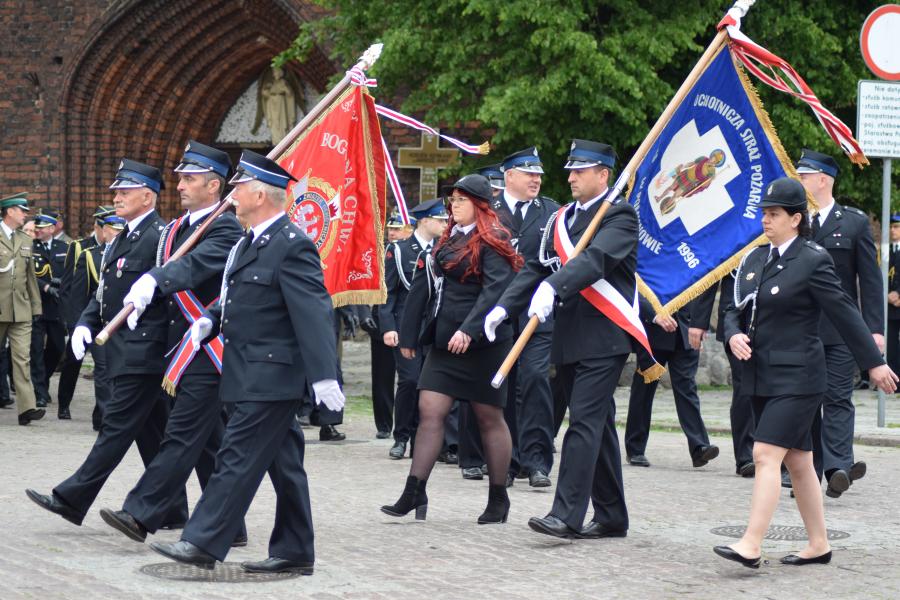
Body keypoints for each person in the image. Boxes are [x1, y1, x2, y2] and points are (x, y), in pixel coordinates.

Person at [149, 150, 343, 574]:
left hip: (271, 377)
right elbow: (241, 300)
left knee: (235, 458)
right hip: (245, 372)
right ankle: (295, 550)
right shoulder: (246, 243)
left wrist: (326, 377)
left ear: (260, 194)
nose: (232, 195)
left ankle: (202, 541)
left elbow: (313, 314)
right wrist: (210, 320)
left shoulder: (293, 246)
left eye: (239, 187)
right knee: (286, 464)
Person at [715, 176, 897, 568]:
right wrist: (731, 337)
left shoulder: (813, 259)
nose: (766, 220)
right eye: (764, 213)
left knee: (764, 454)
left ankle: (750, 543)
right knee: (799, 461)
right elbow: (733, 311)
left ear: (796, 218)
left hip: (799, 378)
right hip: (762, 376)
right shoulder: (755, 259)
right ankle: (818, 543)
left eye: (774, 214)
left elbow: (844, 312)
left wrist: (874, 362)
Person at [98, 141, 247, 547]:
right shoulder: (181, 228)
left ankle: (141, 513)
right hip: (180, 349)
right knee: (209, 443)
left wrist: (156, 279)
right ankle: (232, 526)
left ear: (214, 186)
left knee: (181, 436)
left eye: (189, 178)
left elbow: (195, 266)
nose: (179, 184)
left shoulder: (225, 227)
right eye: (180, 177)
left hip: (211, 350)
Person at [26, 159, 189, 528]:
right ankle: (174, 509)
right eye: (116, 190)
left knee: (116, 426)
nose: (116, 197)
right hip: (123, 349)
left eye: (125, 191)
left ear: (147, 197)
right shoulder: (124, 236)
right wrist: (85, 322)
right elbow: (104, 292)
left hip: (145, 350)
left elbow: (168, 291)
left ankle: (72, 498)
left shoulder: (163, 237)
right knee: (154, 435)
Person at [485, 139, 636, 540]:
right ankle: (612, 516)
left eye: (580, 170)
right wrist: (505, 307)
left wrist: (555, 286)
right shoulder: (561, 219)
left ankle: (566, 514)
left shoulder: (619, 215)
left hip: (605, 337)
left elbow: (596, 260)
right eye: (570, 170)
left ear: (603, 175)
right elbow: (535, 265)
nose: (570, 177)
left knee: (582, 422)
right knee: (598, 426)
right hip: (569, 338)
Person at [382, 174, 520, 524]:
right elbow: (422, 289)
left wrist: (470, 331)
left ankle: (498, 498)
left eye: (460, 200)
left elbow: (496, 291)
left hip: (484, 342)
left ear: (479, 204)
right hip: (446, 341)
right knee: (429, 409)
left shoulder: (494, 239)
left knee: (489, 418)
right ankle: (414, 491)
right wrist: (409, 336)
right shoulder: (446, 240)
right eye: (451, 201)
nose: (453, 207)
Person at [796, 149, 882, 498]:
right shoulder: (794, 221)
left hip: (840, 329)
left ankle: (836, 468)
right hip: (801, 328)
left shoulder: (854, 222)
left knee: (837, 398)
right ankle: (802, 470)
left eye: (804, 176)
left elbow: (871, 280)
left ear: (822, 180)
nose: (799, 181)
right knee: (803, 400)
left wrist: (874, 330)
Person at [379, 199, 447, 459]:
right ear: (425, 221)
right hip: (405, 326)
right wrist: (388, 327)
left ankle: (426, 440)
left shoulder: (444, 250)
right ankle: (401, 436)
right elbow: (389, 292)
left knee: (432, 385)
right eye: (440, 220)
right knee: (409, 381)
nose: (444, 224)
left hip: (433, 327)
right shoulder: (399, 250)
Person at [624, 292, 719, 468]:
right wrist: (653, 315)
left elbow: (701, 289)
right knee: (644, 390)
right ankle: (635, 449)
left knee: (687, 387)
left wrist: (699, 323)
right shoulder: (646, 262)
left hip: (685, 331)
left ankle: (699, 447)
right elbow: (635, 289)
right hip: (654, 333)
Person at [56, 206, 114, 422]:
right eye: (107, 227)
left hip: (103, 320)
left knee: (103, 366)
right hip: (80, 316)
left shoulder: (119, 248)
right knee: (73, 362)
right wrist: (72, 321)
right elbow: (69, 287)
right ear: (97, 227)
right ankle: (64, 403)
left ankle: (100, 414)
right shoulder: (81, 248)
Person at [0, 193, 44, 425]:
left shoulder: (25, 240)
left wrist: (36, 307)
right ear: (9, 211)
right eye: (22, 210)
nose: (26, 214)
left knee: (22, 358)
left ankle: (26, 408)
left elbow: (30, 279)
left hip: (21, 309)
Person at [30, 212, 68, 407]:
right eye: (37, 227)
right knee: (35, 350)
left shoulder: (64, 248)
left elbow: (71, 273)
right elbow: (27, 275)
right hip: (36, 306)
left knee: (57, 348)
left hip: (56, 307)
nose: (38, 229)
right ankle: (39, 392)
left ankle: (42, 380)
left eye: (42, 227)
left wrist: (62, 283)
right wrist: (45, 286)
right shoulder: (30, 246)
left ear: (52, 229)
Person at [886, 214, 900, 376]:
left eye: (896, 227)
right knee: (891, 345)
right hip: (889, 306)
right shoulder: (885, 251)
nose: (892, 230)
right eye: (891, 227)